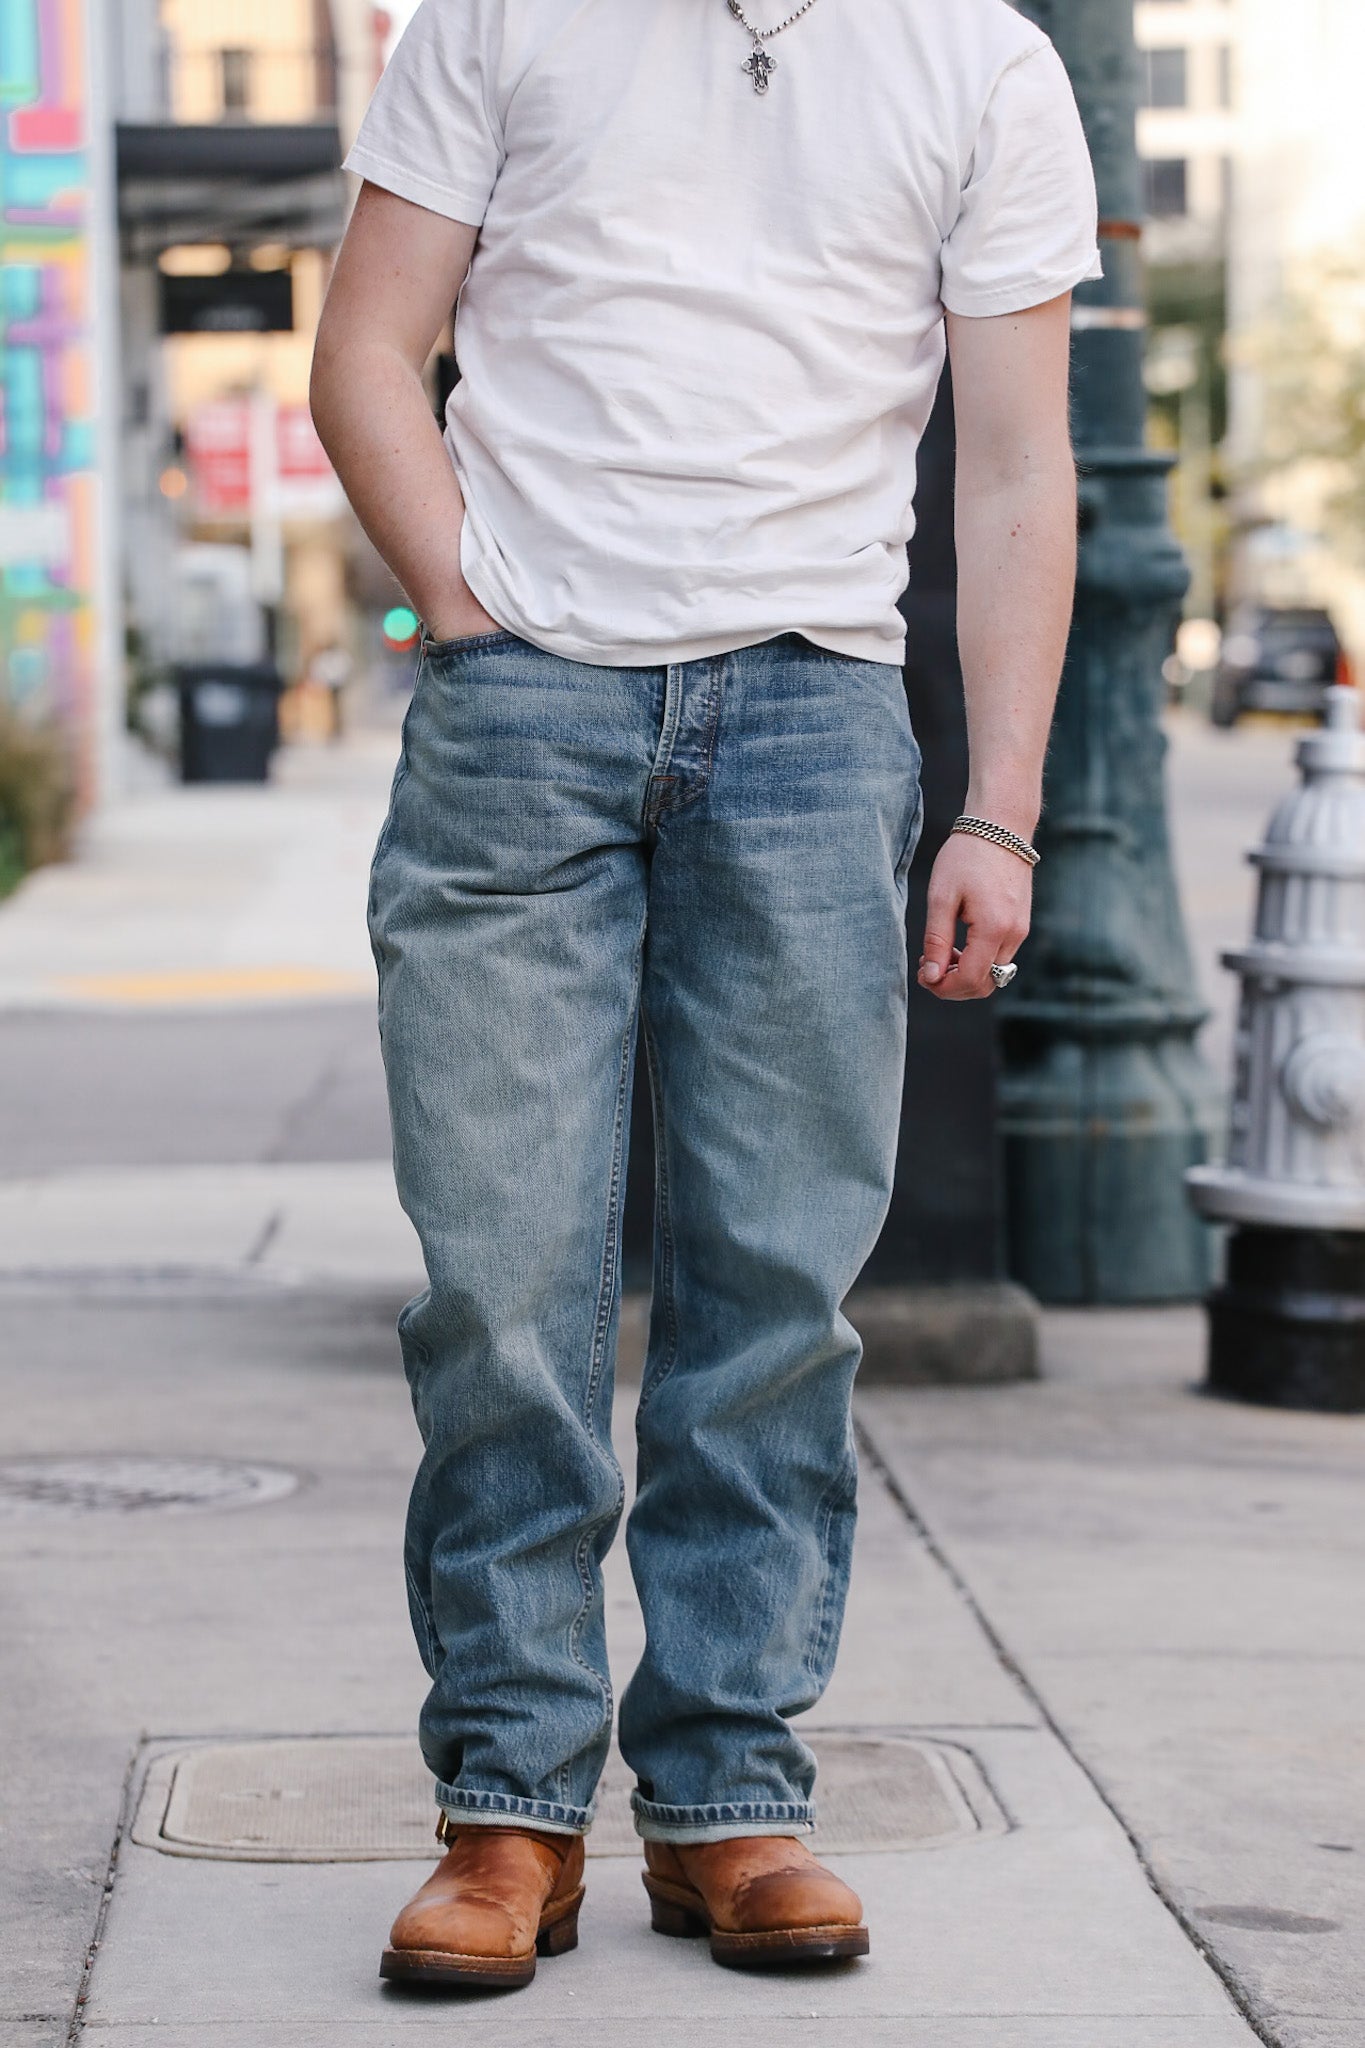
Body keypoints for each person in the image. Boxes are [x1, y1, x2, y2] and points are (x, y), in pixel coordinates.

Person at [310, 0, 1100, 1990]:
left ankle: (728, 1793)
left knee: (768, 1296)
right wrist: (469, 620)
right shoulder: (494, 14)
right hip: (523, 721)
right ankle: (507, 1807)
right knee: (501, 1283)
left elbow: (1014, 466)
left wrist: (996, 809)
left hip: (815, 715)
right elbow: (364, 353)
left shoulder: (981, 64)